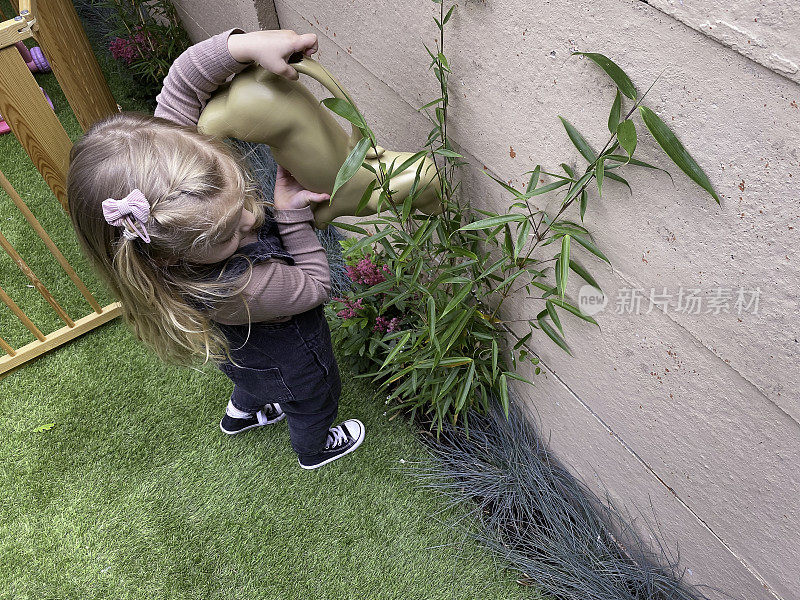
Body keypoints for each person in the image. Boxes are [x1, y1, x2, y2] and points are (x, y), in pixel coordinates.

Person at [66, 28, 365, 470]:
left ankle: (242, 412)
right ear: (169, 255)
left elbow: (185, 79)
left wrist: (245, 46)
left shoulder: (168, 197)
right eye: (228, 235)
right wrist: (291, 217)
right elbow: (315, 285)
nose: (251, 219)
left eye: (242, 195)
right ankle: (314, 447)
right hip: (292, 358)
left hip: (242, 356)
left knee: (253, 375)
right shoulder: (244, 286)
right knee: (313, 396)